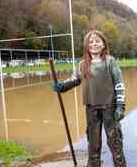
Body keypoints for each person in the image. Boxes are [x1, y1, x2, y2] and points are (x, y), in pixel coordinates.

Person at [53, 30, 127, 167]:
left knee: (114, 141)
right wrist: (62, 86)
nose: (94, 44)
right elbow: (75, 79)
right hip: (91, 108)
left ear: (103, 44)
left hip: (109, 108)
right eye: (91, 42)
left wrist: (121, 106)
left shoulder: (110, 61)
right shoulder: (82, 64)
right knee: (93, 143)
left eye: (98, 41)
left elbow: (119, 84)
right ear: (87, 46)